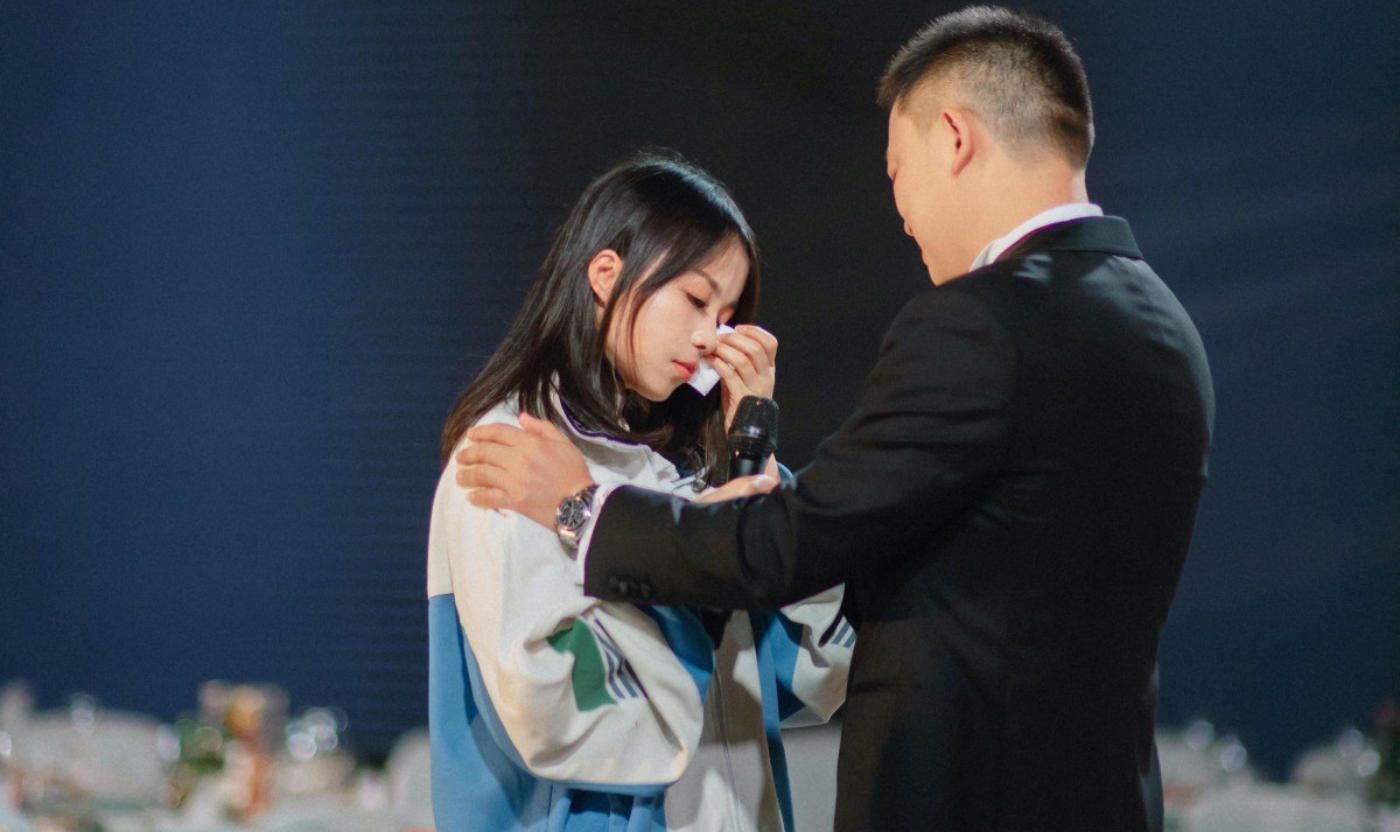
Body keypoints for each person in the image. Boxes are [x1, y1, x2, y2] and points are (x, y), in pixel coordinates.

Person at [456, 7, 1215, 832]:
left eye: (896, 172)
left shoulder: (980, 325)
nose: (902, 212)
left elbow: (795, 549)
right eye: (694, 298)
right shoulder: (1166, 328)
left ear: (954, 138)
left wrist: (583, 510)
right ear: (603, 274)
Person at [426, 150, 851, 832]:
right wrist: (693, 585)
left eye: (727, 314)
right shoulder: (514, 457)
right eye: (695, 299)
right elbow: (561, 711)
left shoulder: (686, 470)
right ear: (605, 274)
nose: (711, 337)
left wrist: (754, 465)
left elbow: (818, 677)